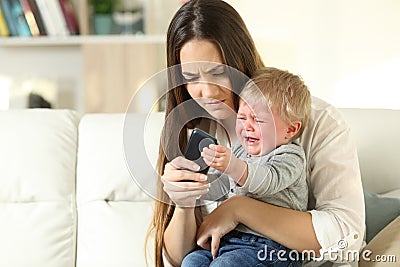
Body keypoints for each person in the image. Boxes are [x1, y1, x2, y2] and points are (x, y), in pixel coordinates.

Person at [147, 1, 365, 267]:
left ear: (241, 60)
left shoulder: (317, 121)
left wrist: (240, 209)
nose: (207, 92)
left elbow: (348, 236)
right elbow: (178, 259)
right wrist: (182, 204)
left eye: (218, 72)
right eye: (191, 77)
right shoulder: (192, 130)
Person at [181, 67, 311, 266]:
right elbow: (222, 187)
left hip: (272, 248)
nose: (247, 126)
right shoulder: (240, 152)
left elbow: (266, 181)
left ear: (290, 129)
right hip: (230, 241)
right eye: (242, 118)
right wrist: (196, 183)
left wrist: (233, 166)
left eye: (258, 120)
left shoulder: (290, 156)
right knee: (192, 261)